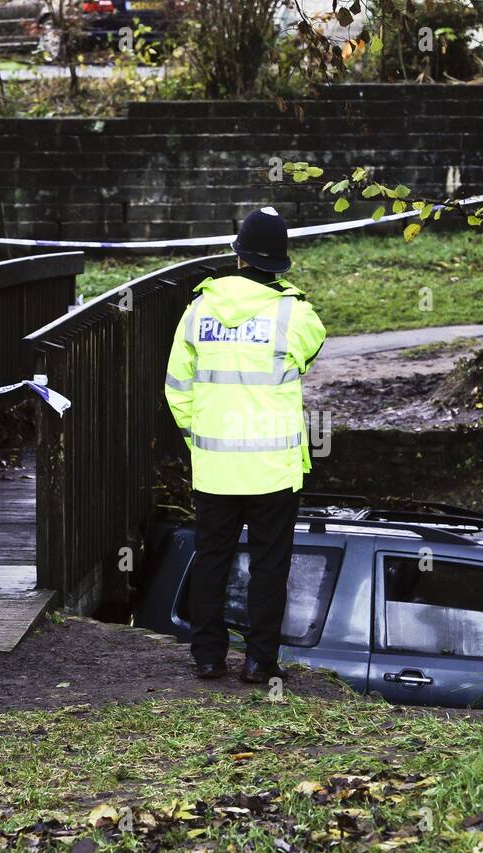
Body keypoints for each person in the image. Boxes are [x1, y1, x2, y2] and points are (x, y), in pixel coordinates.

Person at [164, 207, 327, 683]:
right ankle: (259, 662)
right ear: (279, 265)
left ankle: (208, 658)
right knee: (268, 566)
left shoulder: (197, 311)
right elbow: (309, 352)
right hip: (272, 470)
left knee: (211, 560)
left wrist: (200, 439)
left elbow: (177, 387)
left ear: (237, 258)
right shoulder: (295, 313)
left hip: (215, 467)